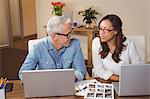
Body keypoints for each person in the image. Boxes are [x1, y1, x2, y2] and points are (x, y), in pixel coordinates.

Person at [18, 15, 87, 81]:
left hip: (68, 85)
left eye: (71, 33)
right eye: (67, 35)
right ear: (54, 36)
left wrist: (66, 78)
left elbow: (81, 71)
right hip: (44, 88)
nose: (70, 36)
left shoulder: (75, 44)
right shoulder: (37, 48)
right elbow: (22, 74)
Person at [92, 14, 143, 82]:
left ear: (116, 31)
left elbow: (139, 68)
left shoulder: (129, 44)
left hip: (125, 83)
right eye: (100, 28)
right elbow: (98, 70)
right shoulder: (96, 42)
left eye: (106, 29)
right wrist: (120, 78)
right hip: (104, 83)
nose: (102, 32)